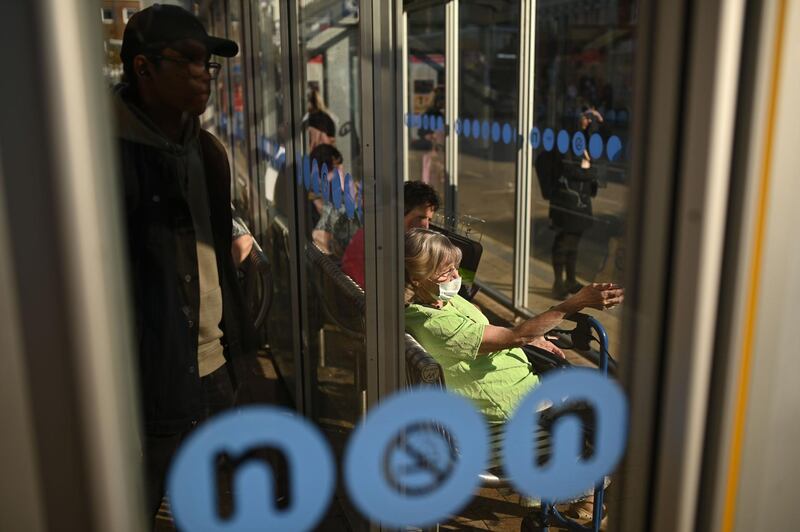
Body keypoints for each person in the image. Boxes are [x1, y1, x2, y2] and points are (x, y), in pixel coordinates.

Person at [114, 4, 255, 523]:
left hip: (212, 365)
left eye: (209, 64)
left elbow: (215, 247)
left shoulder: (208, 153)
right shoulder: (102, 156)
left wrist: (237, 351)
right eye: (189, 60)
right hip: (140, 380)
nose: (205, 75)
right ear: (143, 69)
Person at [404, 228, 623, 422]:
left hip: (522, 382)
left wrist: (532, 338)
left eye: (456, 267)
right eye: (446, 271)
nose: (456, 275)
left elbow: (497, 333)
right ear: (417, 278)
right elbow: (515, 335)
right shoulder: (433, 323)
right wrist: (577, 302)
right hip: (517, 404)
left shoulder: (436, 300)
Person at [544, 109, 602, 299]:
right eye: (586, 117)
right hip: (567, 201)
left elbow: (602, 140)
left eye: (590, 118)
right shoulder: (566, 142)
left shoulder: (583, 140)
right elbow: (569, 170)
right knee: (563, 242)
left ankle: (570, 280)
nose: (588, 121)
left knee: (574, 242)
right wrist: (590, 171)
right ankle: (558, 283)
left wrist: (599, 121)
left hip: (580, 201)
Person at [342, 181, 440, 288]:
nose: (426, 226)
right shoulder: (384, 244)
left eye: (429, 220)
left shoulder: (375, 231)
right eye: (421, 218)